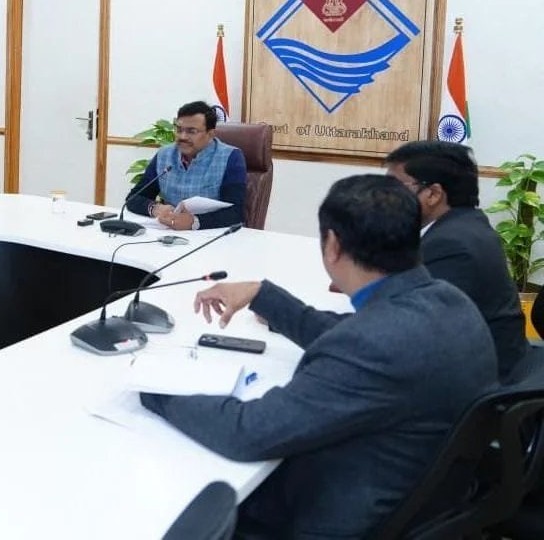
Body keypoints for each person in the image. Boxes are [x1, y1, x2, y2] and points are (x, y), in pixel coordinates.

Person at [140, 175, 497, 539]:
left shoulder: (373, 344)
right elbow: (351, 333)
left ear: (333, 245)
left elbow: (248, 432)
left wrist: (156, 389)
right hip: (426, 502)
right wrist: (263, 295)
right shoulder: (450, 302)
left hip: (334, 519)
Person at [385, 140, 528, 380]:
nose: (384, 197)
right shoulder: (466, 224)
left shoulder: (450, 245)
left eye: (394, 188)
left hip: (479, 388)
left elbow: (409, 333)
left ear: (433, 194)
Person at [125, 101, 246, 230]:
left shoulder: (231, 157)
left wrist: (194, 222)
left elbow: (235, 213)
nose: (182, 136)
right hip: (168, 233)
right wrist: (154, 208)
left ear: (210, 134)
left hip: (212, 234)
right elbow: (133, 198)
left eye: (191, 131)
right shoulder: (165, 155)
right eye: (179, 130)